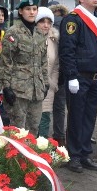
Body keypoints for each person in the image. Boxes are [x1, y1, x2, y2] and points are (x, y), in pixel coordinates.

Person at [59, 0, 97, 173]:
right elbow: (67, 50)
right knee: (76, 118)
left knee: (90, 116)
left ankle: (85, 153)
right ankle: (73, 156)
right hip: (79, 77)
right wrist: (71, 75)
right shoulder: (73, 20)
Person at [0, 0, 49, 132]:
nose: (32, 12)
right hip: (18, 91)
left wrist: (46, 83)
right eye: (28, 9)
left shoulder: (40, 33)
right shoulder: (13, 33)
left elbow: (43, 61)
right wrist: (6, 88)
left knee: (33, 129)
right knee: (18, 130)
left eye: (34, 9)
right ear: (20, 11)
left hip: (36, 90)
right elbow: (5, 62)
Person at [48, 2, 69, 145]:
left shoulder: (48, 26)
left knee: (44, 109)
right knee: (60, 108)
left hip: (49, 73)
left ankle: (41, 137)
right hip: (62, 72)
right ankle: (59, 137)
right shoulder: (66, 24)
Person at [37, 7, 60, 137]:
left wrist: (53, 83)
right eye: (42, 21)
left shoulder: (54, 39)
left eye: (48, 22)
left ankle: (42, 151)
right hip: (31, 87)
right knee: (32, 122)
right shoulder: (31, 38)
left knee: (45, 119)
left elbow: (56, 65)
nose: (46, 25)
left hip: (49, 87)